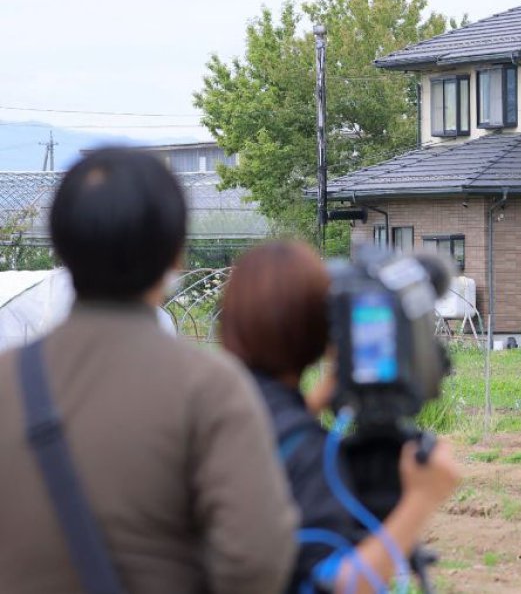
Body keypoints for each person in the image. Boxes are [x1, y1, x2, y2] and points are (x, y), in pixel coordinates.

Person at [0, 147, 298, 593]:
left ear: (60, 248)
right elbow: (256, 561)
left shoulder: (8, 380)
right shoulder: (210, 388)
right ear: (176, 255)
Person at [220, 241, 460, 594]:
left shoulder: (217, 405)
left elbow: (261, 435)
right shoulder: (308, 453)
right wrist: (420, 501)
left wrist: (313, 403)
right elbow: (334, 585)